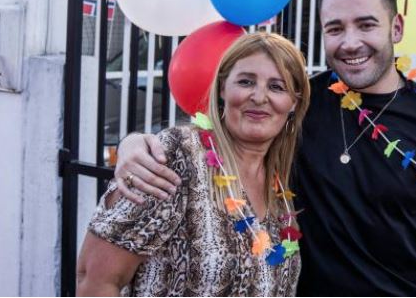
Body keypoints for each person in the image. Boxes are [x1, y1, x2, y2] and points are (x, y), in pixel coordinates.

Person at [115, 0, 416, 296]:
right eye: (335, 28)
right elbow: (216, 138)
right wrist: (133, 143)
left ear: (397, 27)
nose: (351, 42)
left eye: (366, 25)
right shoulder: (297, 104)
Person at [76, 32, 311, 296]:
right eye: (246, 82)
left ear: (294, 102)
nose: (259, 96)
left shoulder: (281, 183)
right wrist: (130, 142)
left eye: (277, 87)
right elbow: (95, 278)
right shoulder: (177, 156)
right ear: (222, 89)